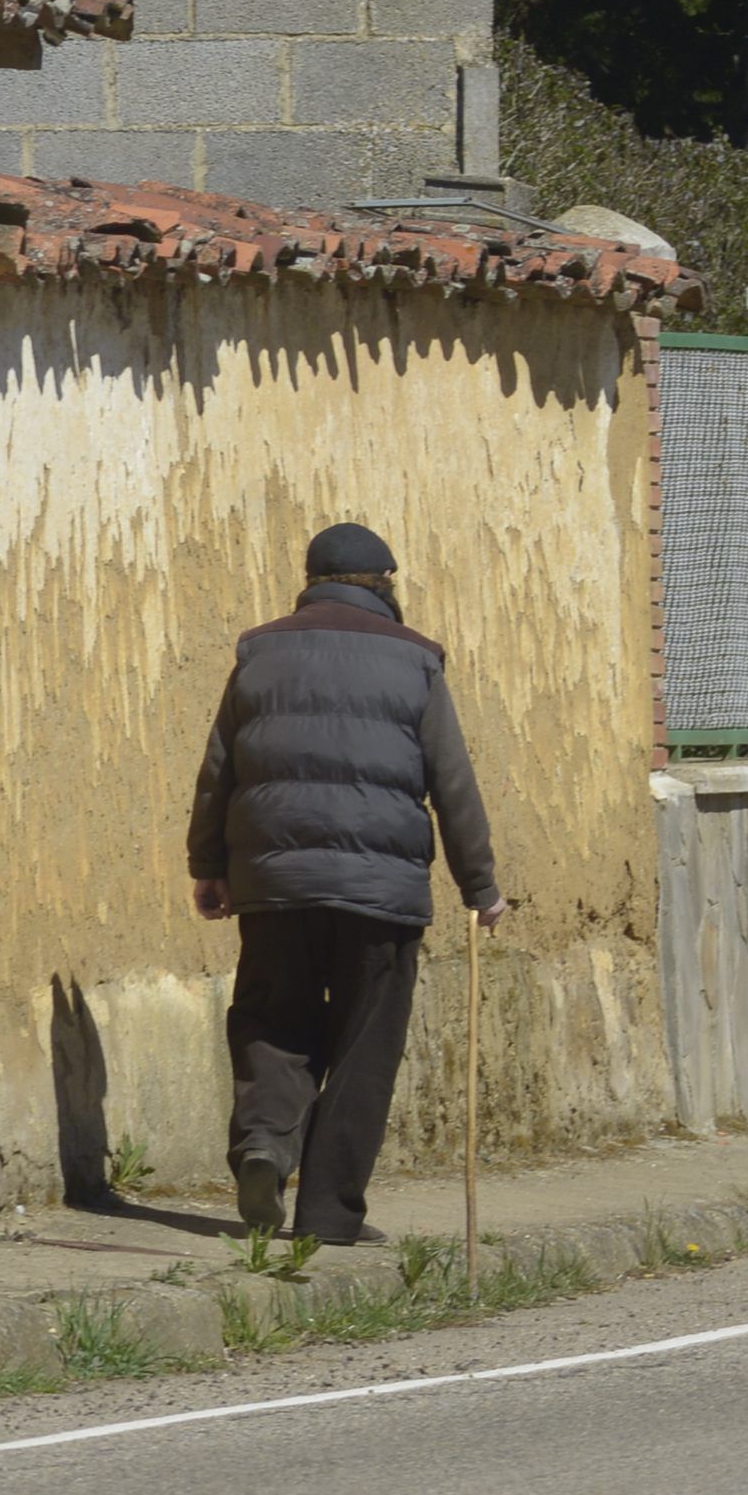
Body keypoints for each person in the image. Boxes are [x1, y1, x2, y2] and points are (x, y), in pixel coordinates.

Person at [185, 518, 501, 1249]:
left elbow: (218, 772)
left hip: (273, 878)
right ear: (386, 584)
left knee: (272, 1017)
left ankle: (265, 1142)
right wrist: (479, 886)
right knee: (364, 1047)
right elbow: (451, 781)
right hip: (379, 890)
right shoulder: (416, 660)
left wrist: (208, 867)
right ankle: (328, 1216)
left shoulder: (258, 652)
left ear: (310, 578)